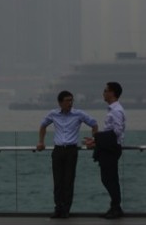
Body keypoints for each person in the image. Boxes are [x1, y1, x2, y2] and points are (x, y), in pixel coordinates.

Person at [38, 90, 97, 219]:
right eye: (67, 101)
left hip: (71, 150)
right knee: (58, 181)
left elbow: (94, 124)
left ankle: (66, 210)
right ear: (60, 102)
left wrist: (94, 140)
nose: (70, 103)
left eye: (71, 100)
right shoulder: (53, 114)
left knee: (68, 181)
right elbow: (43, 126)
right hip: (58, 150)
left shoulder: (78, 114)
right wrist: (41, 142)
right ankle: (58, 208)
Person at [85, 81, 125, 219]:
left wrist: (98, 137)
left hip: (111, 149)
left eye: (105, 90)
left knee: (110, 179)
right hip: (108, 147)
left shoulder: (116, 111)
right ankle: (115, 207)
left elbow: (117, 131)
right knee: (108, 179)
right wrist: (96, 140)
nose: (103, 93)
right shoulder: (113, 110)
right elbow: (111, 132)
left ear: (112, 93)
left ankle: (116, 207)